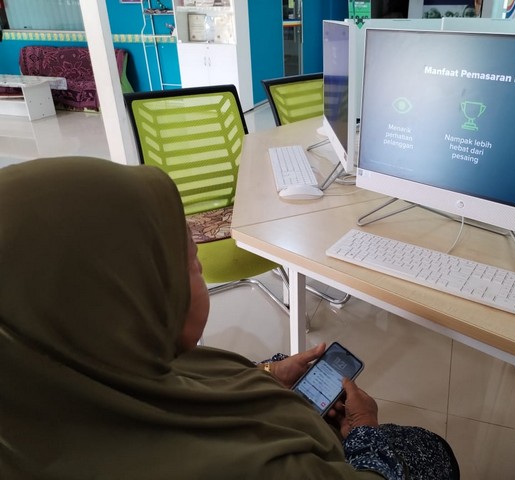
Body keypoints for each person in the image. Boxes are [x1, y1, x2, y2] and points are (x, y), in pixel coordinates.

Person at [0, 157, 459, 479]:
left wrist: (268, 375)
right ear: (128, 299)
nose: (199, 266)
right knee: (430, 451)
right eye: (189, 262)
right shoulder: (259, 469)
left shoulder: (58, 377)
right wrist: (364, 434)